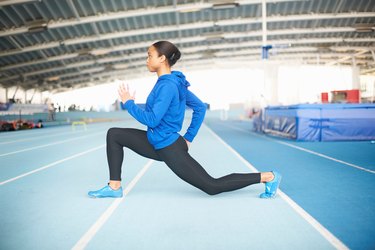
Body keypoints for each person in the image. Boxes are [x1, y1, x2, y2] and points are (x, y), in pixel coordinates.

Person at [88, 41, 281, 199]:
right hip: (156, 141)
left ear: (162, 58)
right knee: (114, 134)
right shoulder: (171, 83)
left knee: (211, 186)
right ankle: (114, 187)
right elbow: (198, 107)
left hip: (168, 147)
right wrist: (188, 137)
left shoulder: (168, 86)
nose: (146, 60)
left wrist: (129, 103)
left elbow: (153, 119)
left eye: (149, 55)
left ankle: (268, 177)